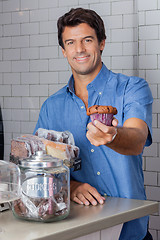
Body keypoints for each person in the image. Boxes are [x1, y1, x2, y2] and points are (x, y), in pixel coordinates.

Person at [34, 8, 153, 240]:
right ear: (63, 51)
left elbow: (137, 139)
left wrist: (114, 136)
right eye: (71, 42)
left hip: (129, 231)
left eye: (87, 40)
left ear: (101, 43)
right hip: (75, 230)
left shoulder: (132, 88)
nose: (79, 49)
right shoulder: (51, 106)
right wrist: (71, 187)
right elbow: (40, 168)